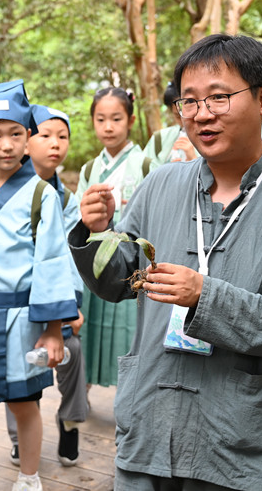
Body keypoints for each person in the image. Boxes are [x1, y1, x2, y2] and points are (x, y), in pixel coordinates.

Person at [69, 34, 262, 490]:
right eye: (188, 101)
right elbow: (119, 280)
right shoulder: (160, 185)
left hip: (234, 441)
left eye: (219, 97)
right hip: (148, 427)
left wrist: (205, 297)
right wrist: (94, 232)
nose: (201, 114)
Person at [0, 80, 78, 491]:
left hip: (22, 317)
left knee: (25, 404)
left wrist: (54, 330)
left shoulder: (42, 194)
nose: (7, 145)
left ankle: (29, 478)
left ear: (28, 138)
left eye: (17, 134)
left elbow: (53, 260)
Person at [4, 104, 89, 468]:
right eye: (45, 135)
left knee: (70, 350)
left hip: (54, 302)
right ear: (24, 141)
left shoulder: (67, 199)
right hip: (15, 302)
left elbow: (67, 258)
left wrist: (70, 306)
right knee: (18, 363)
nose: (55, 144)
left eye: (63, 136)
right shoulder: (3, 191)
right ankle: (18, 437)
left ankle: (69, 420)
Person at [74, 87, 145, 389]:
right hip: (95, 263)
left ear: (130, 120)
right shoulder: (90, 168)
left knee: (128, 331)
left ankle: (127, 396)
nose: (108, 126)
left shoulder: (145, 164)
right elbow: (77, 219)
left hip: (129, 266)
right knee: (91, 330)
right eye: (100, 119)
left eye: (116, 118)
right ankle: (83, 394)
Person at [142, 81, 197, 168]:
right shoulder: (159, 138)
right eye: (177, 116)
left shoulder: (210, 137)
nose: (184, 120)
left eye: (188, 114)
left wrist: (194, 160)